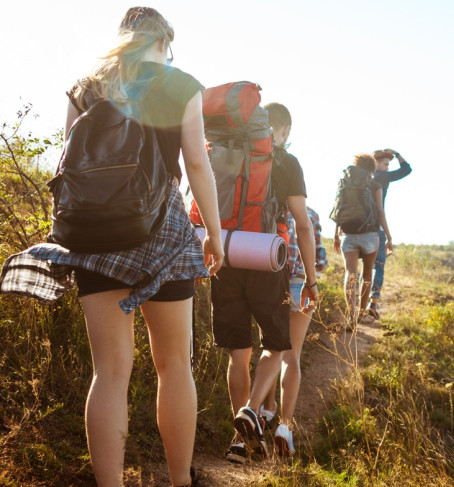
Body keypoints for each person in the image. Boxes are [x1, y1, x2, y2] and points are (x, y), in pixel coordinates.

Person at [0, 7, 224, 487]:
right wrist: (217, 236)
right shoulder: (180, 84)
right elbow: (198, 168)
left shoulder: (86, 88)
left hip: (95, 238)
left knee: (109, 372)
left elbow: (70, 169)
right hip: (162, 233)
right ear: (164, 42)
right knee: (173, 366)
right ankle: (181, 480)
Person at [215, 101, 318, 464]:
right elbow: (303, 225)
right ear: (284, 130)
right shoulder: (287, 162)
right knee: (276, 346)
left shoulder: (228, 153)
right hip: (267, 259)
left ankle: (239, 442)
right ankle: (252, 409)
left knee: (238, 354)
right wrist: (311, 278)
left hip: (227, 256)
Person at [260, 206, 327, 457]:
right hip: (300, 281)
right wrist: (312, 280)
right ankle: (284, 427)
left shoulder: (266, 209)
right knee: (292, 355)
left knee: (270, 348)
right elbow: (321, 260)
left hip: (268, 282)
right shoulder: (309, 214)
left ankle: (266, 409)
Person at [332, 153, 393, 327]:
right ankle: (361, 313)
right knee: (367, 273)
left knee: (350, 274)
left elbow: (337, 209)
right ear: (372, 168)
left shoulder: (345, 182)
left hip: (348, 234)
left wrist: (336, 234)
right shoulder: (375, 185)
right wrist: (388, 236)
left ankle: (350, 316)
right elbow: (380, 213)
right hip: (370, 235)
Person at [366, 149, 412, 321]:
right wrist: (398, 154)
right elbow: (406, 170)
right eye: (385, 164)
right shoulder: (382, 177)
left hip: (362, 229)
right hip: (377, 228)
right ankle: (373, 302)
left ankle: (360, 304)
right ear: (376, 163)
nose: (386, 168)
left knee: (366, 266)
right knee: (378, 265)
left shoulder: (364, 179)